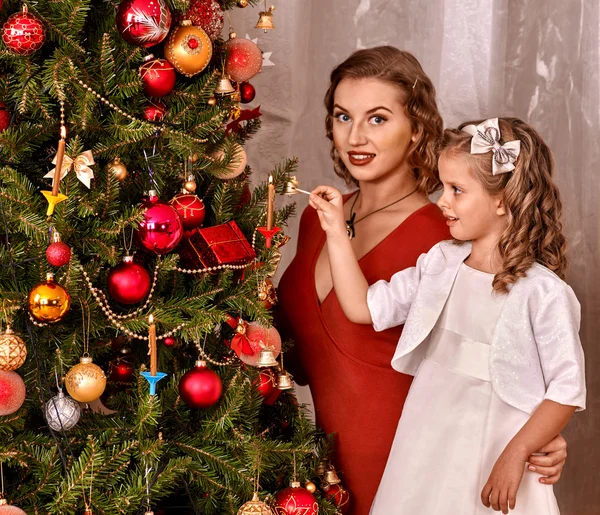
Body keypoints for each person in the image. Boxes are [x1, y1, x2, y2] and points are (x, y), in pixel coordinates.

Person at [276, 46, 569, 514]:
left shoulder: (449, 240)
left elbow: (509, 351)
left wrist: (536, 436)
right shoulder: (319, 221)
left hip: (414, 459)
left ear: (417, 129)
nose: (355, 135)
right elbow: (294, 348)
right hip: (312, 468)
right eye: (342, 116)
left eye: (377, 119)